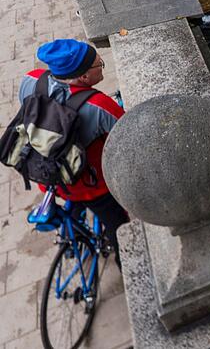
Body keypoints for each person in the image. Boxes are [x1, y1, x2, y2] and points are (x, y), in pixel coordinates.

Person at [19, 39, 129, 266]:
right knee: (121, 231)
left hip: (47, 177)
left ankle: (72, 240)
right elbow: (130, 139)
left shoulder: (30, 79)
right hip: (92, 187)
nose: (102, 66)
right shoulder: (99, 105)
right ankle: (128, 265)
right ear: (84, 77)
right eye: (100, 64)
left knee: (72, 204)